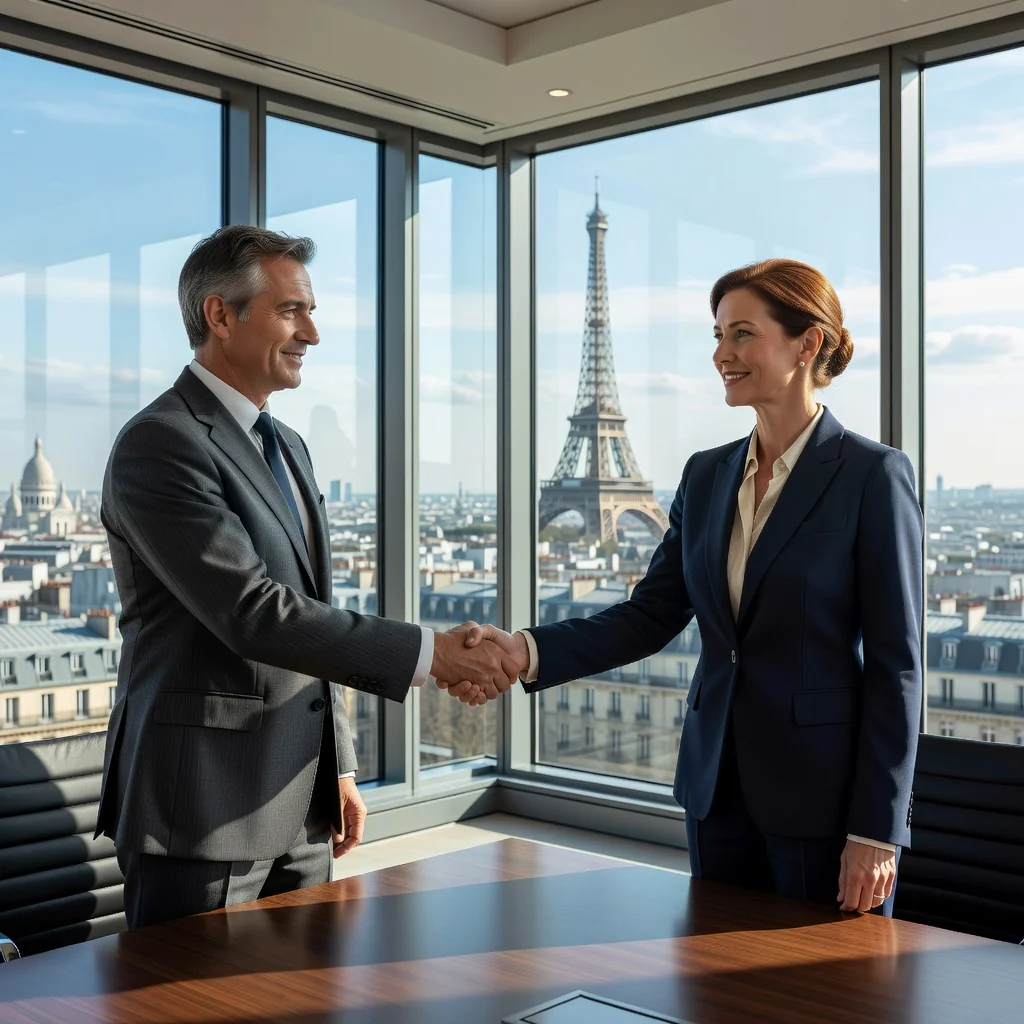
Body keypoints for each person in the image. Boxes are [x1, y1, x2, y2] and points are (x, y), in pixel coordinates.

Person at [453, 259, 923, 915]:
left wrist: (877, 828)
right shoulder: (706, 476)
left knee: (826, 996)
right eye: (717, 335)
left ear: (807, 343)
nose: (720, 355)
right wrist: (524, 650)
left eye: (741, 335)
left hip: (824, 799)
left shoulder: (872, 475)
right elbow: (650, 616)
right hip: (714, 787)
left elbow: (897, 667)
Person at [98, 225, 510, 929]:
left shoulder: (285, 445)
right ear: (220, 315)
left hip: (301, 802)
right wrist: (432, 652)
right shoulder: (160, 442)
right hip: (203, 808)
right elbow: (254, 613)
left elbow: (310, 613)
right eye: (292, 310)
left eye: (311, 311)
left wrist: (339, 766)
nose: (312, 333)